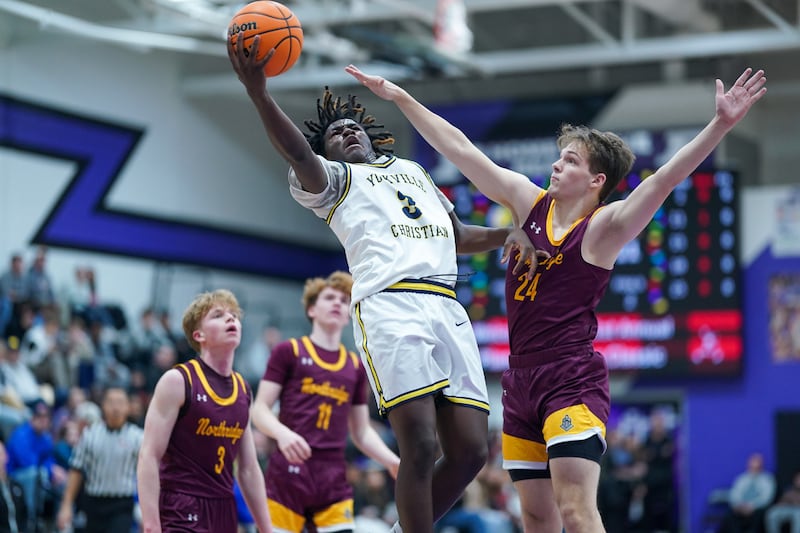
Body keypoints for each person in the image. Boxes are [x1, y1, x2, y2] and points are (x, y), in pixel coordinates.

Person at [346, 64, 767, 533]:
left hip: (571, 377)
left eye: (570, 161)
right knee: (536, 516)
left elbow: (664, 180)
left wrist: (720, 124)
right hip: (521, 380)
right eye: (559, 157)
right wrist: (402, 98)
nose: (556, 165)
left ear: (595, 181)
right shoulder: (528, 204)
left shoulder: (606, 228)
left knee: (575, 509)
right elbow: (460, 149)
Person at [228, 38, 538, 533]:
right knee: (419, 445)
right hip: (391, 306)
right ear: (326, 152)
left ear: (371, 136)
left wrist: (510, 232)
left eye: (353, 127)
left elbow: (457, 236)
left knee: (472, 452)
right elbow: (293, 149)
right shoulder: (333, 182)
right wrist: (260, 94)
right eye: (335, 134)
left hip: (446, 305)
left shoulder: (414, 172)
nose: (347, 133)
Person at [251, 271, 400, 533]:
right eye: (329, 297)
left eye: (344, 300)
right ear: (311, 310)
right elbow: (259, 410)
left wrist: (391, 461)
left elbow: (362, 431)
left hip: (332, 478)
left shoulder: (354, 365)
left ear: (348, 314)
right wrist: (283, 434)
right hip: (288, 473)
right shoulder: (289, 351)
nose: (337, 303)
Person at [136, 289, 273, 533]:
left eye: (233, 315)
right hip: (181, 505)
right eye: (218, 315)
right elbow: (149, 455)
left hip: (223, 509)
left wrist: (266, 528)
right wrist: (150, 524)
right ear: (198, 335)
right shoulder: (177, 381)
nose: (231, 319)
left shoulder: (243, 390)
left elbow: (249, 469)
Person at [56, 386, 144, 533]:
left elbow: (147, 476)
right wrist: (66, 505)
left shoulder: (138, 438)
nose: (115, 407)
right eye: (111, 402)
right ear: (103, 406)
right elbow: (76, 471)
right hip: (93, 503)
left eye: (120, 402)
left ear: (128, 407)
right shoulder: (89, 435)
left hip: (122, 504)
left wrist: (146, 509)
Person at [718, 452, 776, 533]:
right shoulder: (742, 479)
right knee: (729, 516)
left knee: (760, 515)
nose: (754, 469)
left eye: (757, 466)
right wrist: (739, 505)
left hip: (757, 509)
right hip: (741, 507)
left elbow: (766, 498)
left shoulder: (767, 480)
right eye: (752, 466)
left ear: (761, 466)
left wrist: (751, 506)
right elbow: (734, 494)